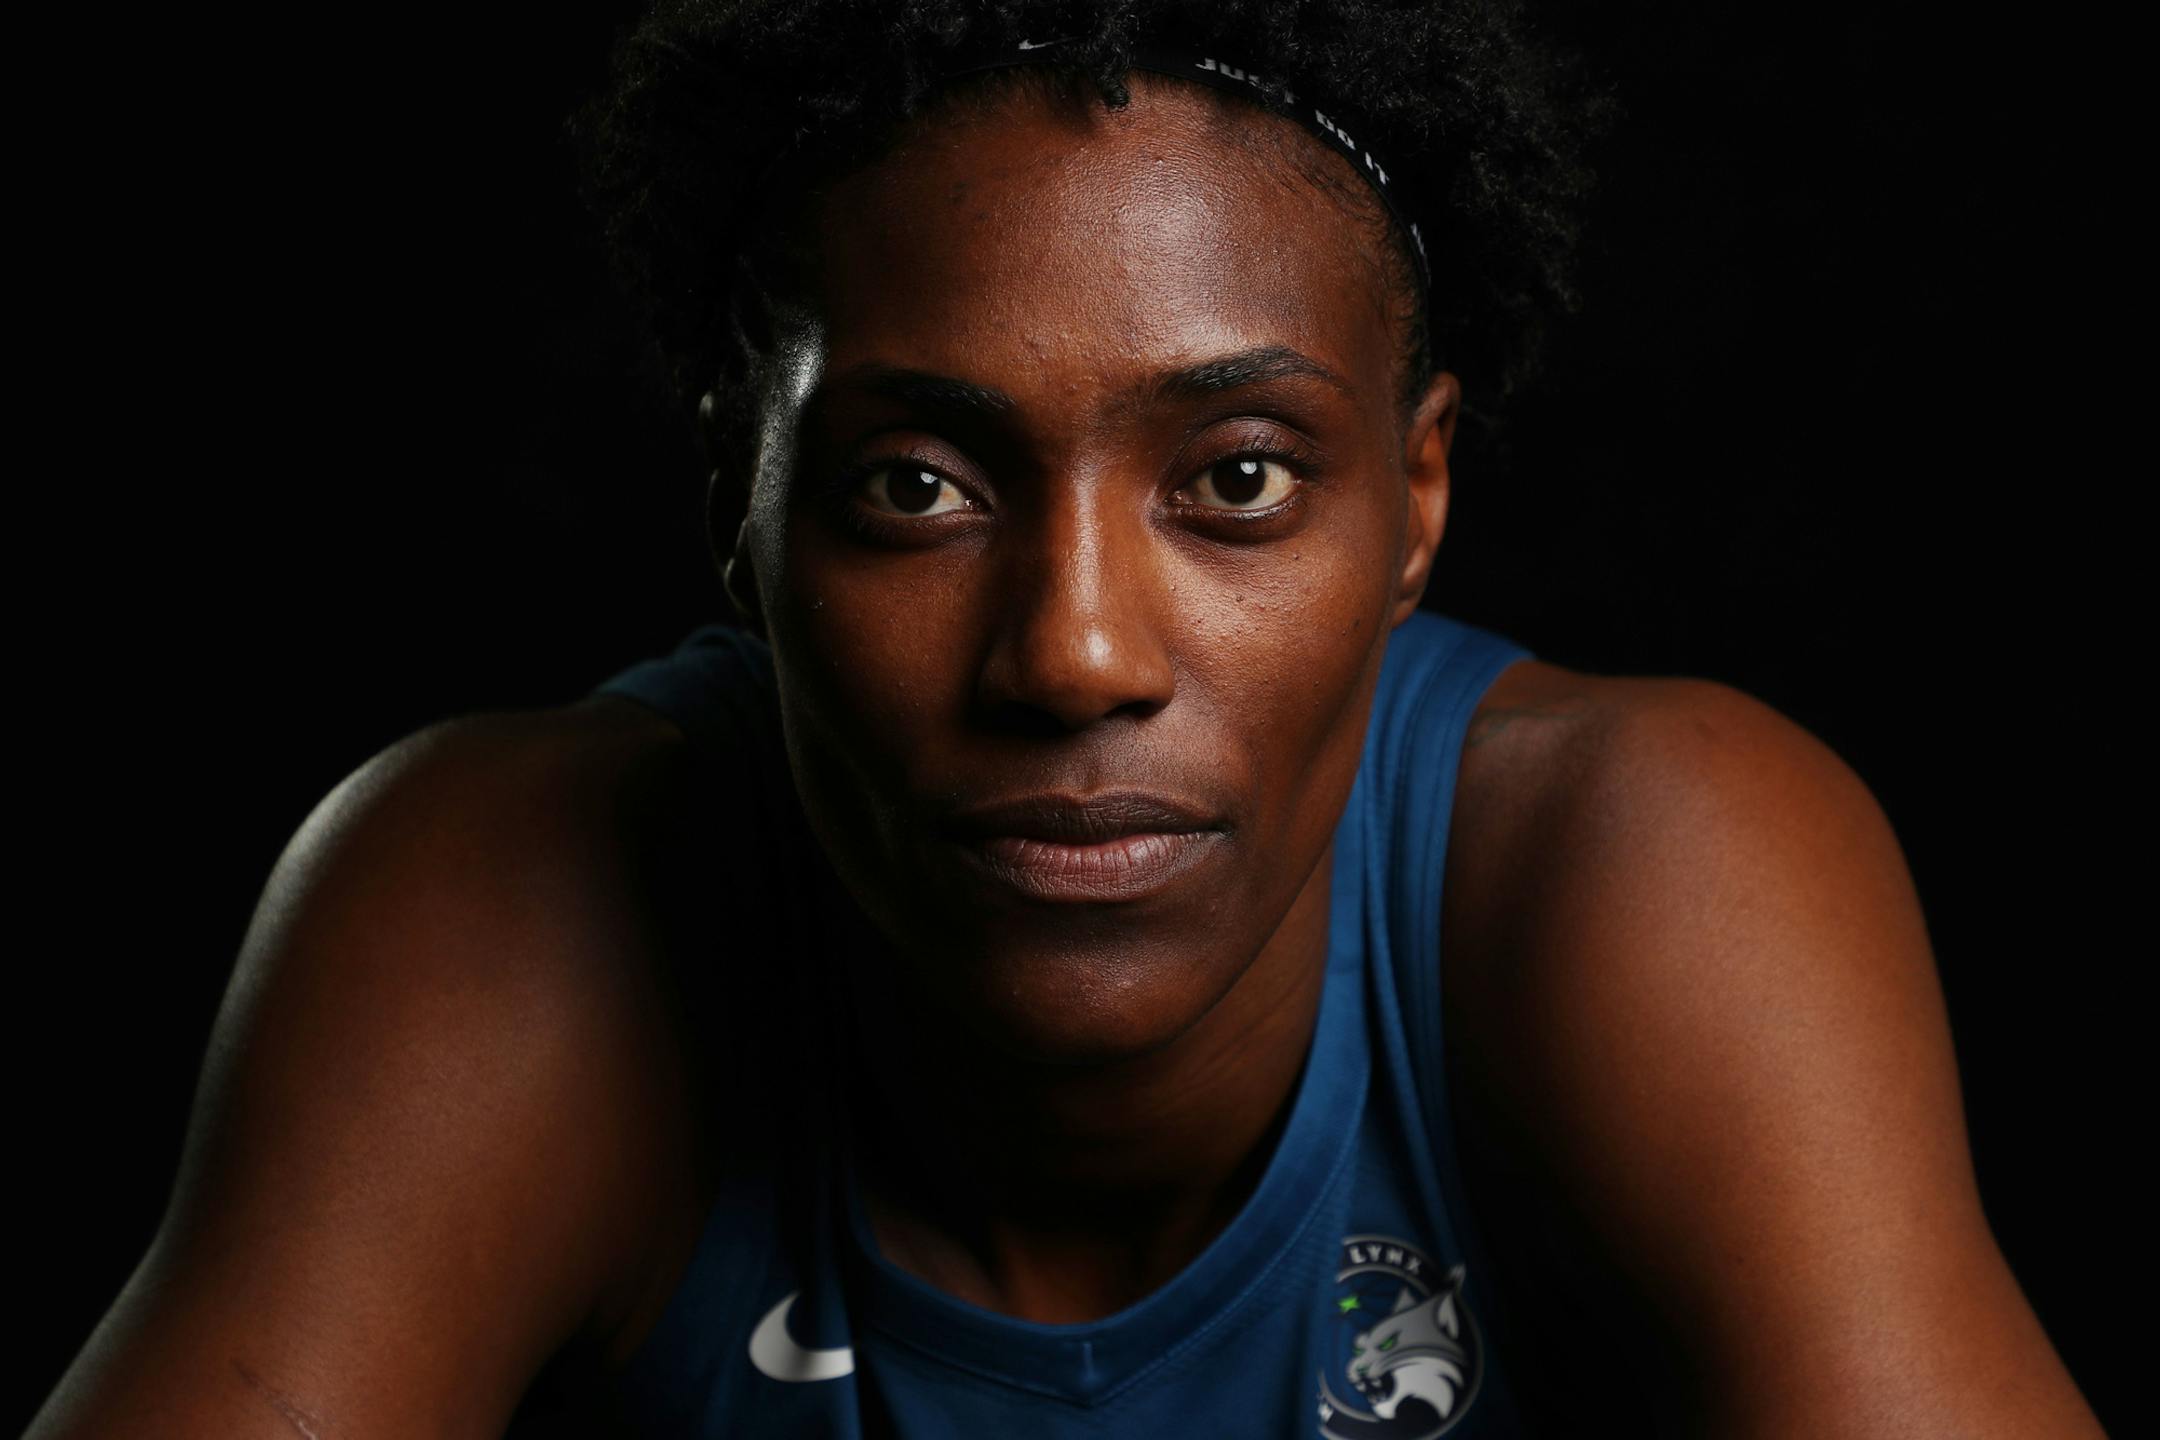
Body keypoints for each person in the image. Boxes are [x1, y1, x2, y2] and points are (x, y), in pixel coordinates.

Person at [29, 2, 2105, 1436]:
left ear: (1420, 501)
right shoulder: (507, 905)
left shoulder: (1649, 872)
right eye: (916, 486)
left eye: (1238, 481)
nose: (1075, 652)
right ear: (740, 524)